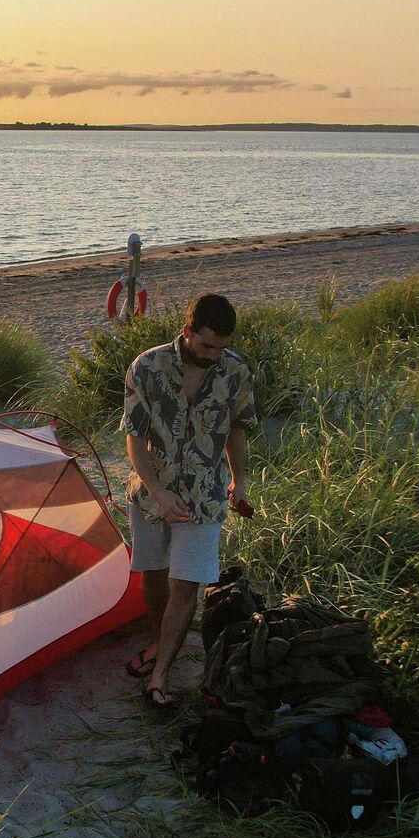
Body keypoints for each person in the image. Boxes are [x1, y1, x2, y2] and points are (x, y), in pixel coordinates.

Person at [121, 292, 256, 707]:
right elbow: (134, 437)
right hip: (149, 493)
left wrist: (240, 482)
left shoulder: (235, 373)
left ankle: (159, 675)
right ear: (188, 331)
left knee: (187, 584)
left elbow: (236, 430)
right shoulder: (147, 366)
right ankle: (161, 645)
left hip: (205, 497)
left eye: (222, 347)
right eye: (206, 346)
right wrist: (159, 493)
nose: (214, 356)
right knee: (155, 576)